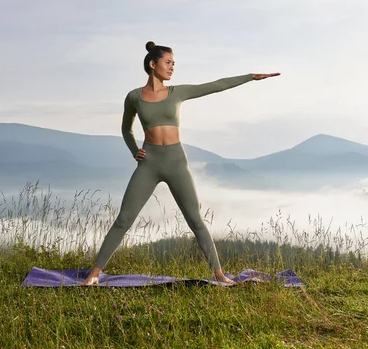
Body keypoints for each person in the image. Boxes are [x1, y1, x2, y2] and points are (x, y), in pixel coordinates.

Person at [81, 41, 280, 285]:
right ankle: (95, 273)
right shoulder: (134, 97)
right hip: (149, 162)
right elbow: (125, 129)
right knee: (124, 219)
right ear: (153, 65)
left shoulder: (177, 92)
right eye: (168, 62)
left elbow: (214, 86)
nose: (172, 67)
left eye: (174, 63)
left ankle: (219, 274)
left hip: (176, 161)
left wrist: (250, 77)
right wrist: (135, 151)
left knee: (195, 219)